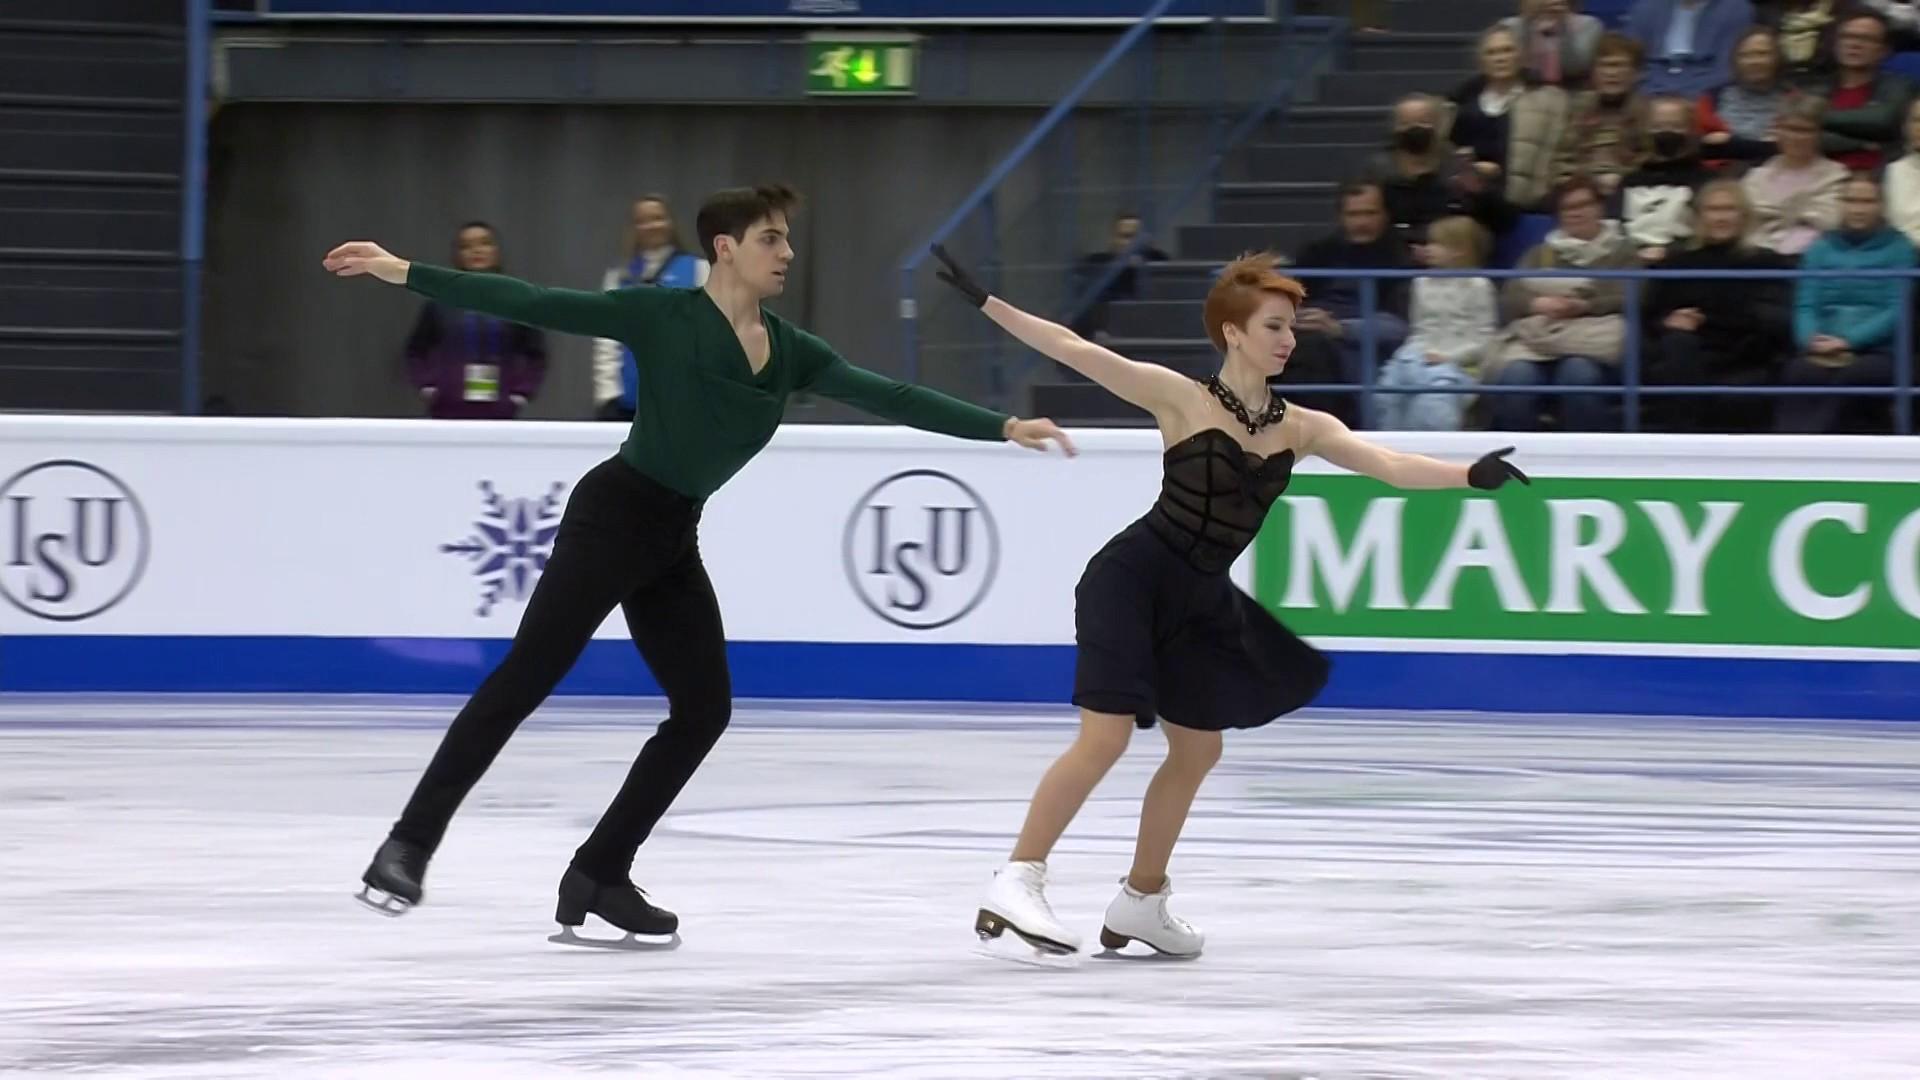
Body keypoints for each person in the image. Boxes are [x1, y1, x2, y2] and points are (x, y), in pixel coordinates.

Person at [323, 184, 1075, 946]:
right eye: (771, 240)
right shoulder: (661, 314)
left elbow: (893, 395)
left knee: (703, 709)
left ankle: (600, 871)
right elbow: (531, 300)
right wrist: (404, 271)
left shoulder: (790, 351)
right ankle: (407, 845)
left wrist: (1003, 426)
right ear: (726, 247)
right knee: (526, 676)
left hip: (672, 536)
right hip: (612, 518)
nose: (786, 254)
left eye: (786, 240)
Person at [927, 245, 1530, 959]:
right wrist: (988, 302)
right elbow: (1074, 348)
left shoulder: (1302, 426)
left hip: (1203, 597)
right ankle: (1018, 879)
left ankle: (1142, 901)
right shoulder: (1179, 397)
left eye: (1292, 327)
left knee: (1198, 747)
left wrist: (1469, 473)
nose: (1289, 339)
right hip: (1132, 579)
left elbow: (1391, 466)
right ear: (1233, 333)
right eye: (1274, 325)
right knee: (1107, 736)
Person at [404, 221, 547, 420]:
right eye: (467, 246)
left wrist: (521, 392)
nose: (476, 250)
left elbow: (536, 354)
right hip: (448, 406)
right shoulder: (440, 301)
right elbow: (416, 350)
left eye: (484, 243)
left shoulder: (517, 300)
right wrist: (429, 386)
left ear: (496, 251)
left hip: (502, 407)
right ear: (457, 255)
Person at [593, 195, 709, 422]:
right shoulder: (620, 276)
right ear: (634, 228)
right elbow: (606, 340)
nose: (651, 226)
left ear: (670, 222)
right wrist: (607, 395)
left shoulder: (699, 271)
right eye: (643, 220)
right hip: (627, 402)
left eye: (658, 218)